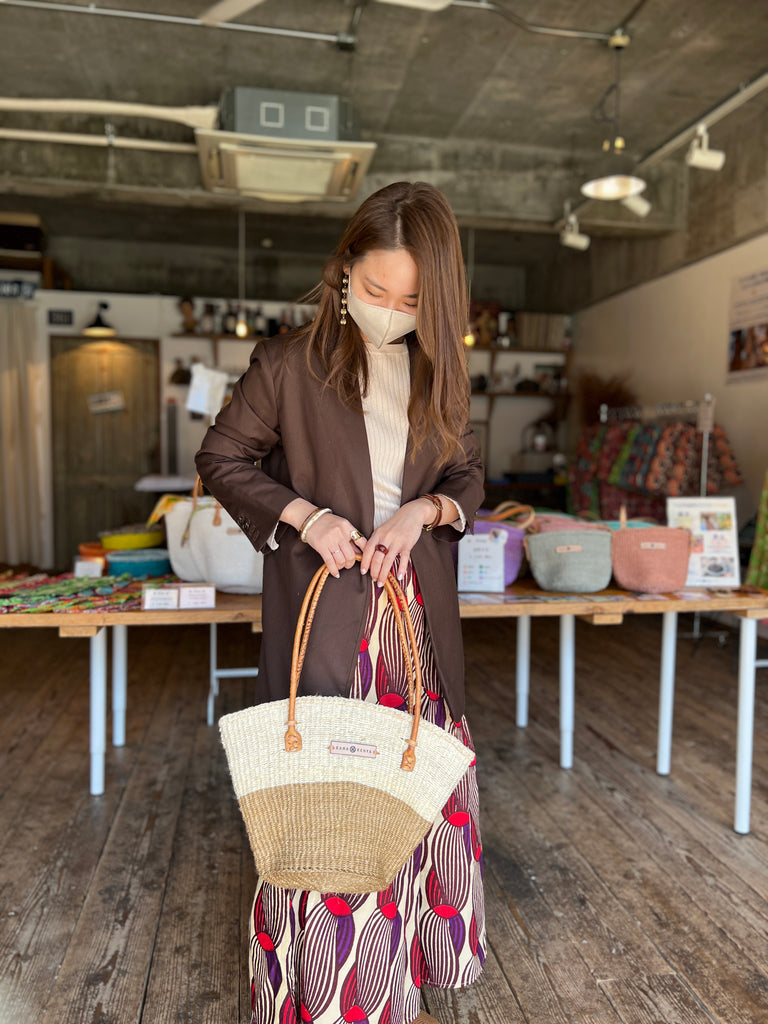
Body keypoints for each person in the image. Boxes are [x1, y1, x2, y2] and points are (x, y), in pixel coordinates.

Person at [196, 181, 486, 1024]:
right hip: (331, 624)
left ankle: (417, 968)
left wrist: (423, 510)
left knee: (418, 788)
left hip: (418, 627)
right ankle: (337, 994)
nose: (391, 312)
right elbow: (223, 458)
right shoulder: (289, 364)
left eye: (413, 300)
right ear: (344, 270)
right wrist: (307, 515)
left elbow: (467, 477)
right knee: (332, 802)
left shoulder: (442, 370)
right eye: (374, 292)